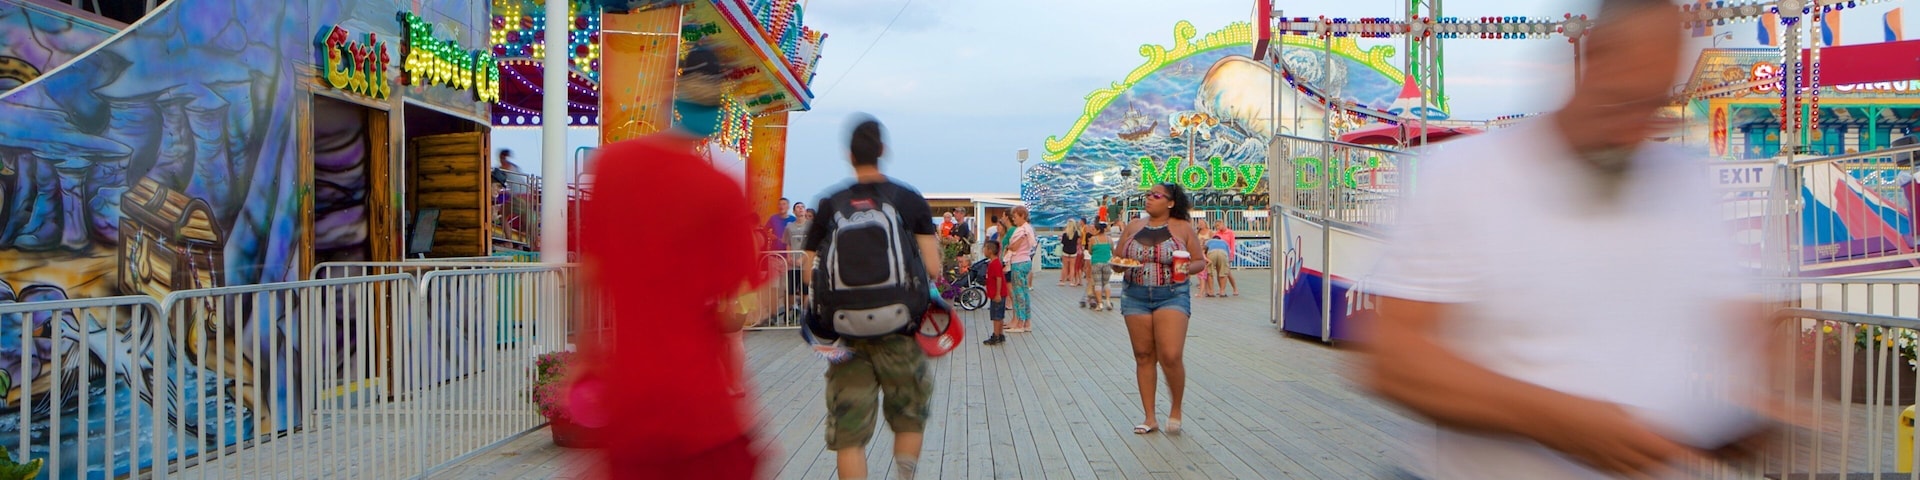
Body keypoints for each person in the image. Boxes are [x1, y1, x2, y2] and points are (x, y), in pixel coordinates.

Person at [1356, 1, 1781, 478]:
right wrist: (1559, 420)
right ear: (1592, 59)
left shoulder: (1683, 184)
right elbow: (1394, 359)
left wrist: (1766, 393)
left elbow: (1741, 316)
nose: (1636, 128)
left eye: (1654, 104)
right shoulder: (1466, 177)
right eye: (1626, 98)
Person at [574, 44, 766, 479]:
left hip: (631, 398)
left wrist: (587, 357)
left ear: (673, 98)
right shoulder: (721, 191)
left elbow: (588, 279)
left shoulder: (614, 168)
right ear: (717, 109)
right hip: (699, 406)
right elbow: (734, 313)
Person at [801, 117, 940, 480]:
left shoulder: (830, 203)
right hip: (900, 330)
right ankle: (905, 475)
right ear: (882, 151)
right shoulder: (907, 199)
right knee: (908, 414)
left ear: (849, 155)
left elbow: (807, 271)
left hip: (847, 336)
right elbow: (934, 267)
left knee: (849, 435)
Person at [1115, 182, 1206, 436]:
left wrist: (1187, 268)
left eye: (1156, 196)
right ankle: (1150, 417)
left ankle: (1176, 408)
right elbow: (1118, 258)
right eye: (1147, 195)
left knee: (1171, 354)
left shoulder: (1183, 228)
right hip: (1135, 294)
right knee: (1143, 355)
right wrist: (1119, 266)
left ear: (1170, 202)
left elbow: (1199, 260)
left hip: (1172, 295)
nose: (1149, 199)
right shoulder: (1134, 227)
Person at [1004, 206, 1038, 333]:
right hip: (1026, 261)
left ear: (1022, 216)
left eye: (1016, 217)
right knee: (1024, 292)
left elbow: (1014, 247)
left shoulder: (1022, 230)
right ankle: (1026, 321)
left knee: (1018, 293)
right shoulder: (1028, 229)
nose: (1014, 219)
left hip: (1018, 261)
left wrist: (1009, 247)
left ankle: (1020, 322)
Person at [981, 240, 1011, 345]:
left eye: (984, 248)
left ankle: (996, 335)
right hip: (996, 294)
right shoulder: (994, 263)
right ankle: (1000, 334)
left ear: (990, 250)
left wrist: (997, 293)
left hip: (997, 295)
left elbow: (999, 278)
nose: (983, 251)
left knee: (996, 316)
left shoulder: (995, 264)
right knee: (999, 315)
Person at [1084, 222, 1113, 311]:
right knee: (1106, 282)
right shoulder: (1109, 239)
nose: (1093, 231)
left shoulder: (1093, 239)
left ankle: (1100, 304)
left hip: (1096, 262)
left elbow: (1090, 251)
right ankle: (1108, 301)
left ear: (1098, 230)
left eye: (1094, 229)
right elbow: (1113, 249)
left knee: (1097, 283)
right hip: (1107, 262)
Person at [1204, 232, 1236, 297]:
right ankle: (1222, 291)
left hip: (1212, 252)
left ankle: (1211, 292)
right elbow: (1228, 253)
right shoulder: (1224, 242)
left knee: (1210, 273)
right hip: (1223, 253)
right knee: (1223, 273)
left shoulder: (1208, 241)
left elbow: (1204, 251)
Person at [1058, 218, 1082, 287]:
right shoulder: (1077, 233)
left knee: (1065, 266)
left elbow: (1063, 242)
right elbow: (1078, 242)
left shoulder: (1065, 233)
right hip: (1073, 251)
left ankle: (1062, 281)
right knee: (1072, 267)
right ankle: (1071, 281)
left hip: (1065, 250)